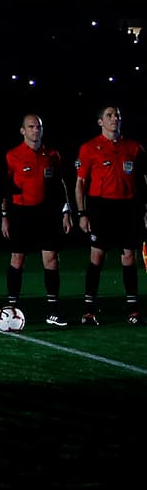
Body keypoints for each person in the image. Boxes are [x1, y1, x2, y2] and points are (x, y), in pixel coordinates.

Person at [73, 105, 147, 325]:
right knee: (97, 255)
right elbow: (80, 183)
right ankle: (89, 310)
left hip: (128, 207)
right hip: (101, 207)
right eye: (109, 115)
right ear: (100, 122)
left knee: (129, 256)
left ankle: (133, 310)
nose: (114, 118)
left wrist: (145, 209)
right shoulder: (89, 148)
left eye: (117, 115)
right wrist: (82, 213)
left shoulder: (134, 147)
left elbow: (144, 179)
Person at [2, 113, 72, 326]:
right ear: (23, 131)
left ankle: (53, 310)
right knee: (17, 259)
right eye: (31, 127)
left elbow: (60, 184)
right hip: (21, 213)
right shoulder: (12, 155)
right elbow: (5, 189)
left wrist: (66, 211)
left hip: (47, 213)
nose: (35, 130)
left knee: (51, 259)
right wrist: (4, 216)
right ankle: (12, 309)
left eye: (38, 126)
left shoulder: (52, 154)